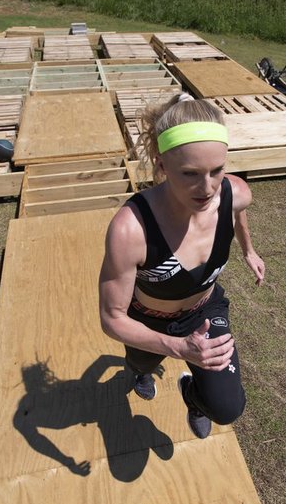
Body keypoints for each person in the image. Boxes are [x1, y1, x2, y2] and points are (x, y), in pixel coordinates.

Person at [98, 92, 265, 439]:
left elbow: (236, 208)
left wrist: (248, 249)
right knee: (140, 363)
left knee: (226, 408)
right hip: (149, 320)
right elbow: (112, 319)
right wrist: (176, 347)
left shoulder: (234, 192)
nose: (206, 189)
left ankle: (193, 395)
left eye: (216, 171)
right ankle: (142, 372)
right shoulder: (131, 229)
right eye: (190, 174)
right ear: (162, 165)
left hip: (204, 311)